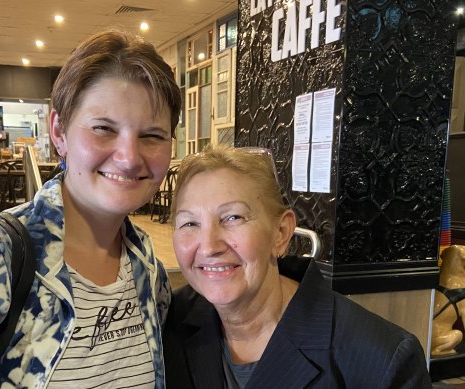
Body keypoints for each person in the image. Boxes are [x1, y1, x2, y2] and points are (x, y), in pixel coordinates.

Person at [0, 29, 181, 388]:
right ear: (59, 131)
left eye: (152, 135)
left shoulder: (147, 267)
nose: (129, 157)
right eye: (103, 128)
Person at [163, 145, 432, 388]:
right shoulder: (168, 321)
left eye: (233, 217)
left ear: (281, 232)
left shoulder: (382, 362)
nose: (209, 246)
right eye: (189, 223)